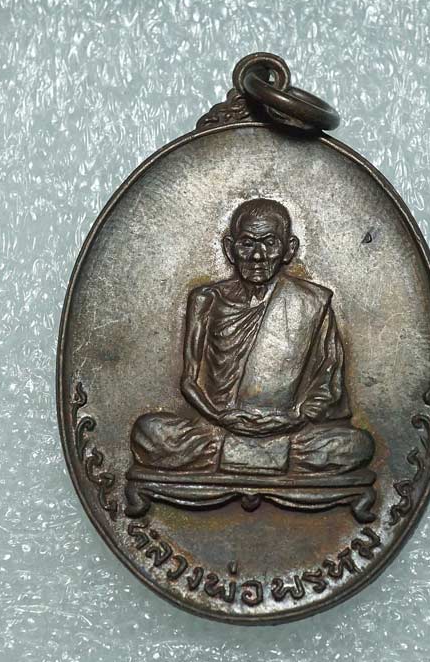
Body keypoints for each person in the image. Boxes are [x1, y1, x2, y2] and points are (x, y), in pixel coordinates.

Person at [130, 198, 374, 475]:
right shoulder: (206, 299)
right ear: (229, 249)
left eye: (269, 243)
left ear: (289, 249)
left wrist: (295, 419)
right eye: (247, 243)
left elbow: (328, 385)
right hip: (217, 427)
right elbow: (189, 380)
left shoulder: (311, 302)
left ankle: (238, 456)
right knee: (148, 431)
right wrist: (220, 417)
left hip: (285, 429)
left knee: (357, 445)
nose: (258, 256)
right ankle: (265, 457)